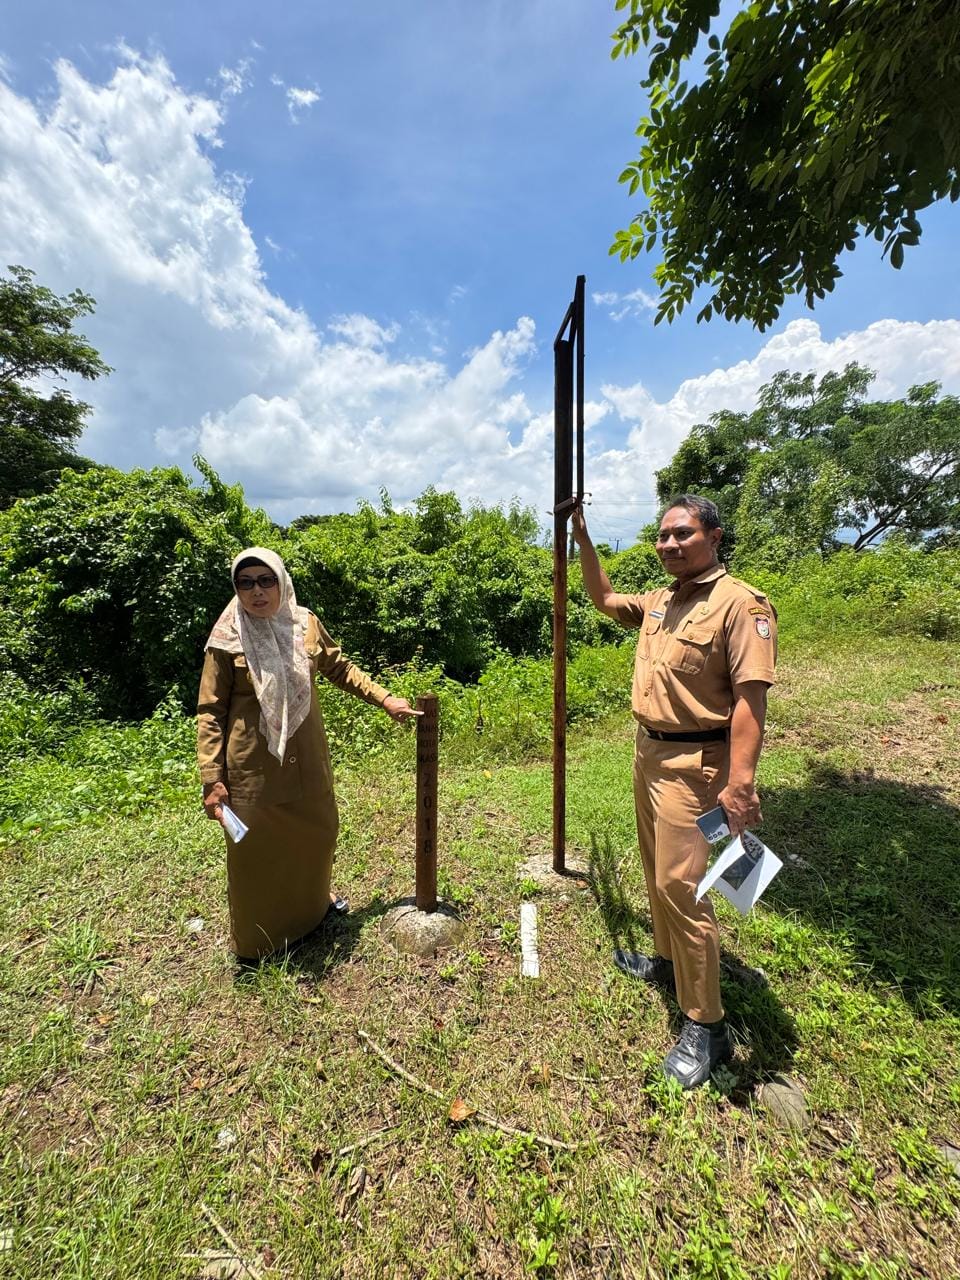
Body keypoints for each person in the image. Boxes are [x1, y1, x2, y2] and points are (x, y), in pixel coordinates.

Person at [571, 495, 777, 1089]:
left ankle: (706, 1023)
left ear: (714, 536)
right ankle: (667, 962)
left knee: (679, 887)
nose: (668, 544)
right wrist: (583, 541)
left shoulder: (740, 604)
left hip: (697, 763)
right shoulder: (662, 600)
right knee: (653, 867)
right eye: (662, 535)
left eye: (682, 533)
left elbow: (750, 701)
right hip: (649, 752)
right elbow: (605, 599)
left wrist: (740, 783)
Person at [197, 546, 419, 961]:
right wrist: (213, 778)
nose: (257, 591)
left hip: (308, 758)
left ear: (281, 582)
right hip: (253, 768)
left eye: (266, 580)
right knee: (257, 855)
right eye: (246, 583)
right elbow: (210, 711)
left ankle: (313, 912)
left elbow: (340, 668)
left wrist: (385, 698)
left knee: (317, 835)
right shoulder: (227, 638)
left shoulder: (305, 624)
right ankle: (258, 943)